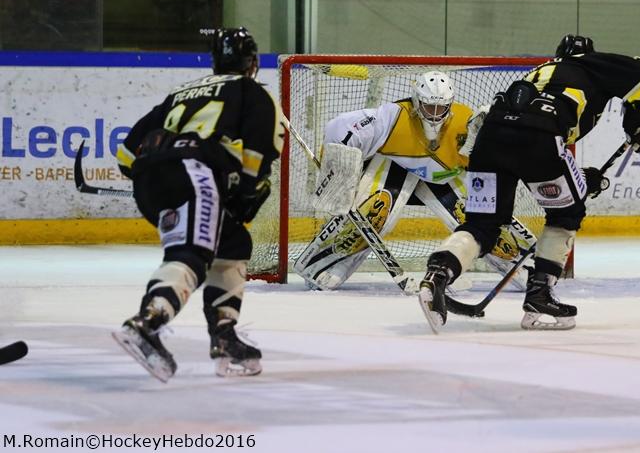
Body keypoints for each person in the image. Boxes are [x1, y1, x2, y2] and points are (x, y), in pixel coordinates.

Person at [419, 34, 640, 331]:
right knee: (566, 214)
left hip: (491, 136)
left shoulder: (542, 72)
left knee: (482, 225)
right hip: (540, 134)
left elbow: (531, 154)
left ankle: (438, 274)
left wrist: (580, 180)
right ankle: (540, 293)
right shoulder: (592, 65)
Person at [113, 27, 284, 381]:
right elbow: (257, 153)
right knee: (192, 252)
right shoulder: (251, 92)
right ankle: (147, 322)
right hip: (195, 172)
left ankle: (224, 335)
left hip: (151, 179)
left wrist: (162, 176)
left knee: (233, 242)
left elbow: (126, 153)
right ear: (252, 63)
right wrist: (244, 191)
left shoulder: (181, 93)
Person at [294, 71, 537, 292]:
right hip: (395, 168)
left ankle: (528, 269)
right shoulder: (392, 117)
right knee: (374, 212)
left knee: (476, 219)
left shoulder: (468, 121)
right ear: (416, 101)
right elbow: (339, 128)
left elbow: (485, 165)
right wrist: (340, 172)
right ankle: (321, 267)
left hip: (444, 177)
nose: (434, 114)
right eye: (428, 107)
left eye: (440, 108)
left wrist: (487, 143)